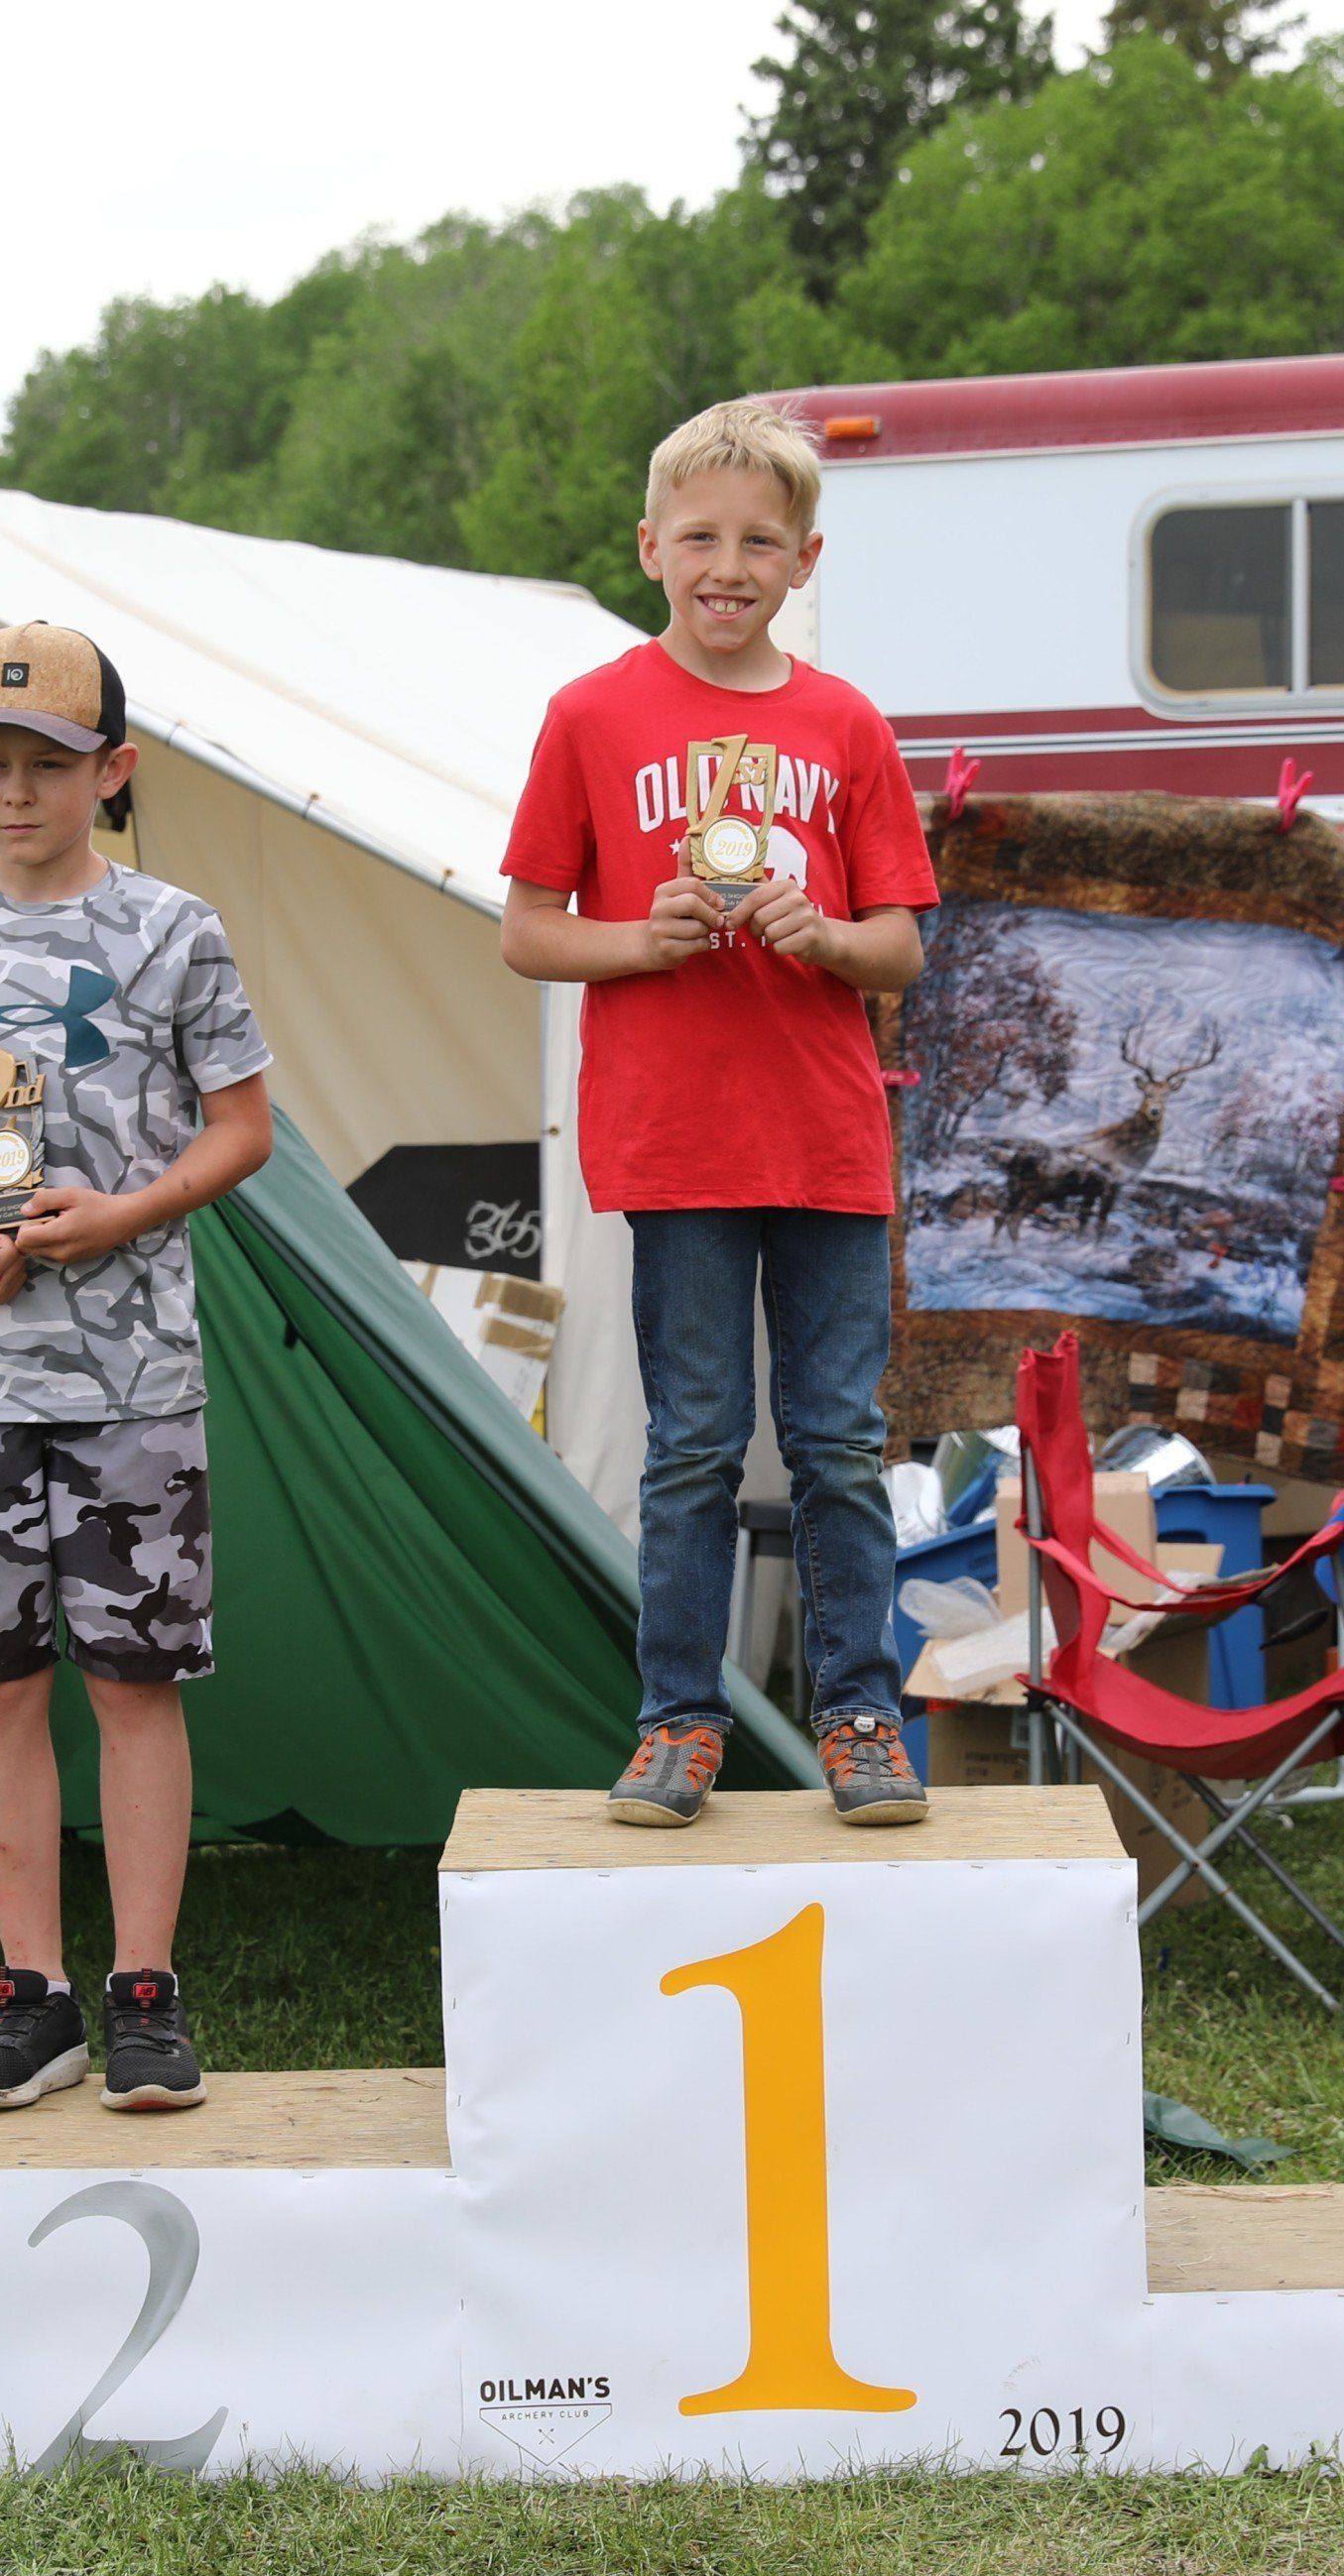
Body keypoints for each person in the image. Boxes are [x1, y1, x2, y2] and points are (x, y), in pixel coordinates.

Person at [0, 623, 275, 2108]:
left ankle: (145, 1989)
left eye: (51, 765)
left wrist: (125, 1212)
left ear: (113, 769)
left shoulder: (174, 929)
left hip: (135, 1378)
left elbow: (242, 1128)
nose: (18, 791)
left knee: (137, 1683)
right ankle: (34, 1998)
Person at [501, 400, 937, 1826]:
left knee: (835, 1440)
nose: (728, 564)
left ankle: (860, 1716)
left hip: (826, 1142)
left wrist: (823, 935)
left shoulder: (846, 722)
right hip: (677, 1146)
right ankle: (679, 1722)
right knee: (693, 1441)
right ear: (650, 548)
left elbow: (904, 949)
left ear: (805, 560)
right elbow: (528, 931)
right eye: (700, 536)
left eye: (760, 540)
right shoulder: (589, 716)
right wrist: (647, 938)